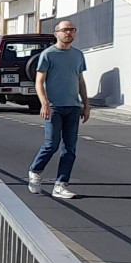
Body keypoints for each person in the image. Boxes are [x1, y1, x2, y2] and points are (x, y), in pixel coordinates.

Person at [28, 21, 90, 199]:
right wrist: (44, 103)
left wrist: (86, 104)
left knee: (70, 148)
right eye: (64, 30)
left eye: (72, 30)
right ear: (56, 33)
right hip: (54, 107)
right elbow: (39, 82)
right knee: (51, 144)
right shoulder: (48, 55)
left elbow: (80, 80)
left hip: (73, 107)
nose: (68, 33)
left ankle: (61, 184)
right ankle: (35, 171)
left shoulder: (78, 55)